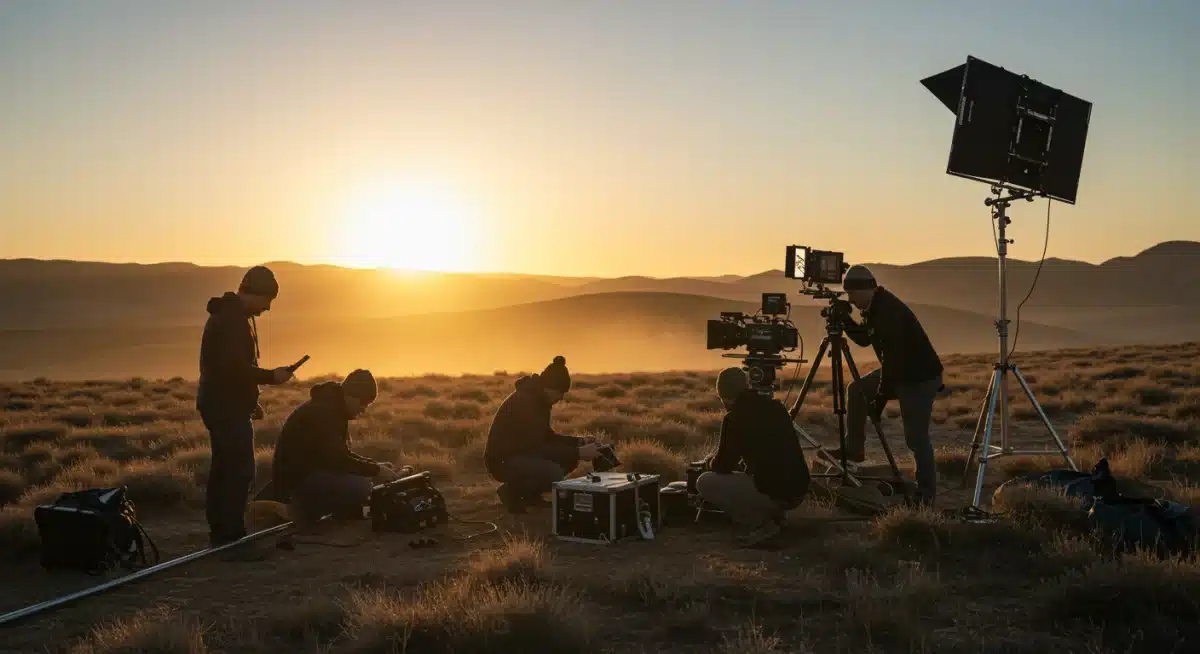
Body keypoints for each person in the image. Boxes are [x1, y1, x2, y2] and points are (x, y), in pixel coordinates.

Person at [196, 265, 295, 556]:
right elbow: (235, 369)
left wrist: (250, 401)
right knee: (239, 471)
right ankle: (231, 540)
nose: (267, 308)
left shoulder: (233, 317)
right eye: (267, 301)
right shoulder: (231, 321)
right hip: (224, 407)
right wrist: (271, 377)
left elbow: (231, 371)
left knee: (224, 469)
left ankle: (222, 535)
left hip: (223, 404)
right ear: (254, 293)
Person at [835, 264, 944, 507]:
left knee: (916, 438)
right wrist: (845, 321)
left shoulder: (888, 311)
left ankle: (926, 494)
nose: (851, 300)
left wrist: (880, 399)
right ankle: (854, 450)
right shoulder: (875, 307)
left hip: (919, 378)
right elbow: (865, 338)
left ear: (866, 289)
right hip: (900, 371)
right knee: (856, 390)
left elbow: (893, 361)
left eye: (852, 294)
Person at [271, 369, 405, 530]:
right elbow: (337, 460)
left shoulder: (334, 407)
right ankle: (300, 509)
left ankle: (333, 509)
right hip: (297, 480)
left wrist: (375, 466)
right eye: (363, 403)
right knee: (361, 487)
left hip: (312, 472)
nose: (363, 409)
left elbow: (341, 454)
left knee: (367, 479)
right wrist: (375, 470)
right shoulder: (324, 412)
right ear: (351, 395)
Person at [695, 367, 810, 546]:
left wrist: (709, 462)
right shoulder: (776, 407)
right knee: (762, 477)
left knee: (704, 481)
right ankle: (775, 516)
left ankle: (761, 524)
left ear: (723, 396)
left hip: (775, 494)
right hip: (798, 491)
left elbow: (722, 466)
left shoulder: (734, 418)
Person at [484, 356, 599, 513]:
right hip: (502, 461)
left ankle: (531, 497)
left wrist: (577, 442)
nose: (561, 398)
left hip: (520, 454)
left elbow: (545, 436)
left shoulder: (539, 401)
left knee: (569, 459)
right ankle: (511, 493)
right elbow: (535, 446)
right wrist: (578, 452)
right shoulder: (526, 402)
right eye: (560, 392)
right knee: (553, 471)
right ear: (549, 388)